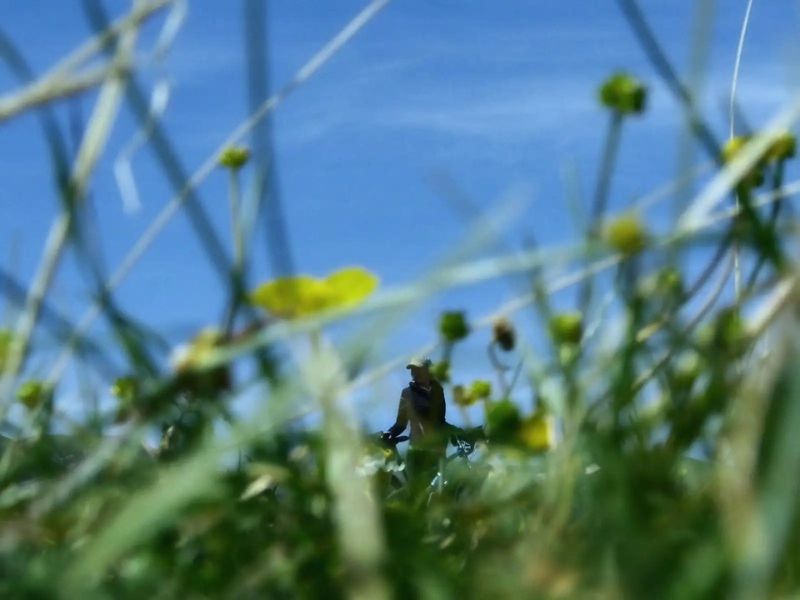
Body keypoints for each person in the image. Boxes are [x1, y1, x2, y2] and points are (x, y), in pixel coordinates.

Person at [384, 357, 448, 490]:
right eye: (412, 370)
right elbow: (401, 423)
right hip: (417, 452)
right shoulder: (407, 393)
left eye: (418, 369)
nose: (414, 373)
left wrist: (459, 434)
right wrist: (388, 434)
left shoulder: (438, 391)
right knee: (417, 492)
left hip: (438, 451)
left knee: (439, 492)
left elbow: (441, 421)